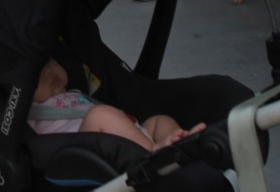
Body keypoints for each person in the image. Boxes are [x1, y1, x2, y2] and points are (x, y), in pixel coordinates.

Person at [29, 60, 201, 150]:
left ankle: (179, 146)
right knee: (100, 115)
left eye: (48, 63)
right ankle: (153, 151)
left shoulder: (75, 92)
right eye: (37, 74)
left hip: (127, 134)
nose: (48, 73)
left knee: (159, 120)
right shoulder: (28, 112)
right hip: (86, 147)